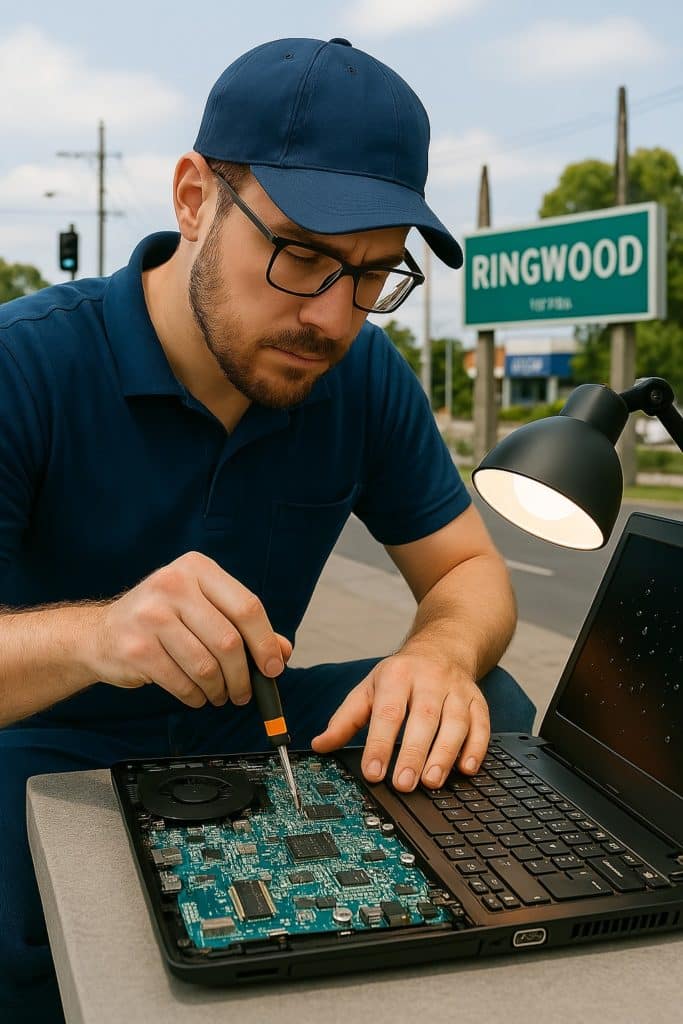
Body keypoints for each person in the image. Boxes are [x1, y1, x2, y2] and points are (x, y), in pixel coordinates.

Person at [0, 37, 534, 1022]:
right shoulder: (27, 364)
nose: (332, 318)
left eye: (373, 275)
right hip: (42, 737)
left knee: (487, 702)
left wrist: (441, 652)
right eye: (302, 257)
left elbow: (466, 565)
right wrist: (96, 633)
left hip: (256, 730)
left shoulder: (359, 375)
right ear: (194, 198)